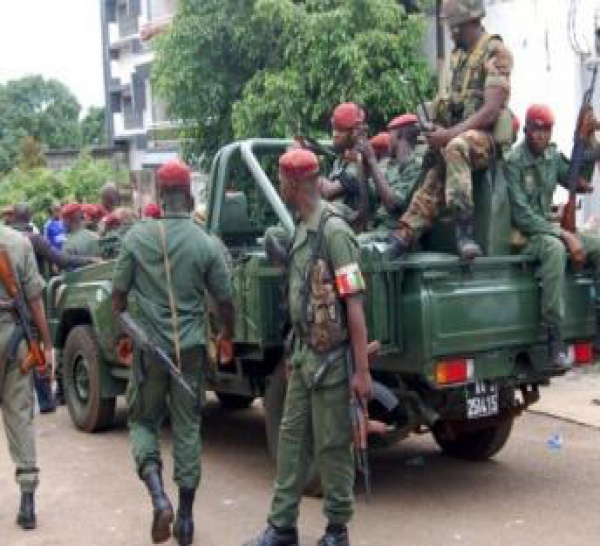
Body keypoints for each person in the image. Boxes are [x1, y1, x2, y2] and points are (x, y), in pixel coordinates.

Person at [246, 149, 371, 546]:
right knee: (291, 440)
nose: (280, 186)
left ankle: (337, 530)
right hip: (303, 355)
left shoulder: (334, 232)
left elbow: (353, 303)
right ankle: (282, 527)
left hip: (333, 361)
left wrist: (363, 371)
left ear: (294, 184)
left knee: (333, 444)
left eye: (282, 180)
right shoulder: (302, 226)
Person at [111, 159, 235, 546]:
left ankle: (158, 496)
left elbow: (116, 301)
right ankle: (184, 520)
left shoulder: (135, 237)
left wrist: (134, 329)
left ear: (161, 197)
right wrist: (225, 334)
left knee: (142, 423)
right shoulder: (206, 241)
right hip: (192, 352)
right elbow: (225, 300)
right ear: (190, 195)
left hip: (149, 353)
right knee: (188, 429)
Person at [388, 0, 513, 260]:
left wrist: (449, 135)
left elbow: (490, 111)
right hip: (458, 134)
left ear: (472, 21)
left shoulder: (495, 52)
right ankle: (405, 234)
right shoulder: (458, 57)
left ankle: (464, 232)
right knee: (434, 166)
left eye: (456, 28)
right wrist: (437, 131)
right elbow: (450, 103)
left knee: (456, 147)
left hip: (484, 140)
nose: (452, 33)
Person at [506, 103, 600, 369]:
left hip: (548, 229)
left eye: (546, 130)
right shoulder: (514, 162)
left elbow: (578, 182)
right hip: (524, 236)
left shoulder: (551, 155)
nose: (541, 135)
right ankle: (554, 338)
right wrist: (565, 235)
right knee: (555, 250)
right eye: (536, 129)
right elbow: (522, 216)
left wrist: (584, 141)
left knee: (598, 244)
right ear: (526, 129)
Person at [12, 203, 98, 411]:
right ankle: (45, 401)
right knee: (35, 348)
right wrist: (89, 260)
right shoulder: (33, 240)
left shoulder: (7, 240)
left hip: (8, 304)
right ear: (30, 217)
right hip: (32, 302)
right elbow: (61, 260)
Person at [0, 223, 54, 530]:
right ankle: (28, 500)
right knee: (20, 416)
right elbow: (35, 300)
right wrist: (47, 345)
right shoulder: (18, 242)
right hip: (14, 341)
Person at [359, 114, 425, 243]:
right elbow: (368, 201)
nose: (388, 139)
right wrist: (364, 165)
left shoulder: (417, 167)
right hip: (379, 230)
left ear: (399, 135)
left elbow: (393, 205)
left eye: (391, 134)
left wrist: (372, 160)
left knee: (354, 247)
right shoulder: (391, 166)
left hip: (399, 235)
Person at [318, 102, 373, 230]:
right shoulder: (342, 159)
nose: (334, 134)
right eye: (334, 129)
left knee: (321, 209)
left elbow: (328, 191)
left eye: (340, 130)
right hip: (336, 219)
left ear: (354, 132)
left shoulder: (361, 157)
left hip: (352, 222)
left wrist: (307, 169)